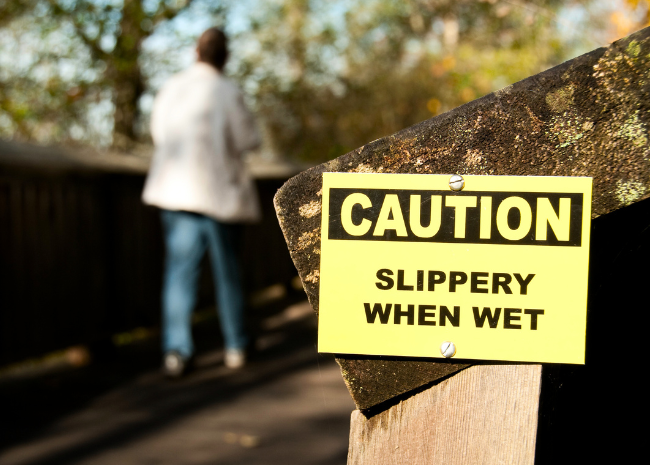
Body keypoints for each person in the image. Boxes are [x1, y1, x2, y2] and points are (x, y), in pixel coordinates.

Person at [142, 27, 261, 377]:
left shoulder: (171, 89)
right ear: (225, 57)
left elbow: (159, 133)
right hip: (218, 194)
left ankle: (176, 352)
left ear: (196, 52)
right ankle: (236, 346)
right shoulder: (228, 92)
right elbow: (248, 140)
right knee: (228, 274)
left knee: (179, 275)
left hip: (175, 194)